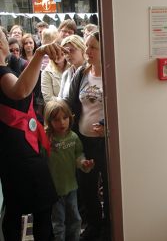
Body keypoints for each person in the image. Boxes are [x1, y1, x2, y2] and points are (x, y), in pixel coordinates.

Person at [0, 28, 68, 240]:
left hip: (12, 147)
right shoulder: (2, 73)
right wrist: (39, 55)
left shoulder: (9, 64)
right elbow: (21, 90)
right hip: (19, 150)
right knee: (42, 205)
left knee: (15, 207)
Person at [63, 31, 111, 241]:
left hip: (106, 144)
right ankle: (94, 225)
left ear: (105, 51)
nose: (87, 51)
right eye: (87, 46)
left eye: (93, 47)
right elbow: (67, 101)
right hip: (83, 142)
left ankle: (109, 226)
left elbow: (123, 109)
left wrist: (109, 126)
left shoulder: (113, 75)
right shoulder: (82, 74)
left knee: (109, 188)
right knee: (87, 187)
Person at [42, 99, 95, 241]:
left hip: (71, 187)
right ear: (49, 121)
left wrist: (84, 164)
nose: (62, 123)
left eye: (65, 118)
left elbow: (78, 155)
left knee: (75, 219)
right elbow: (41, 162)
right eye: (56, 119)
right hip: (54, 190)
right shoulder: (47, 140)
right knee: (58, 222)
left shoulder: (73, 137)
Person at [41, 38, 70, 103]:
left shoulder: (73, 67)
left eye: (59, 52)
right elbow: (48, 98)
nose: (57, 55)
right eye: (54, 52)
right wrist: (66, 102)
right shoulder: (47, 72)